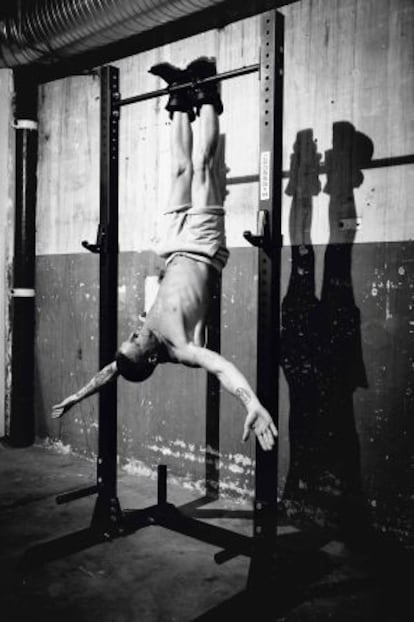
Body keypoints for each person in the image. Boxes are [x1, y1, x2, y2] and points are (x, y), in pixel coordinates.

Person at [51, 57, 277, 452]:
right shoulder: (182, 349)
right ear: (152, 359)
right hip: (203, 247)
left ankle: (179, 95)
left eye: (129, 338)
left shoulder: (138, 348)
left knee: (179, 170)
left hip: (173, 246)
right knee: (203, 168)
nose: (134, 333)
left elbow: (112, 371)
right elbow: (222, 369)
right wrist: (251, 401)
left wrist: (78, 395)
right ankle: (207, 91)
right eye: (135, 341)